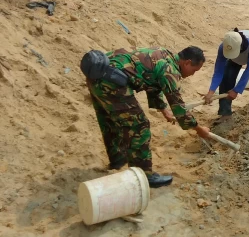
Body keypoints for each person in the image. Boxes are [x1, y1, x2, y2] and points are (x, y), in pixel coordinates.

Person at [84, 46, 211, 188]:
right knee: (139, 126)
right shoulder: (170, 71)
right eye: (194, 70)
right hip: (112, 82)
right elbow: (180, 109)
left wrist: (164, 110)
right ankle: (144, 175)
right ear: (187, 63)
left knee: (110, 120)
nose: (193, 74)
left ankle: (118, 159)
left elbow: (152, 82)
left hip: (96, 74)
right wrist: (198, 129)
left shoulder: (163, 54)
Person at [204, 28, 249, 121]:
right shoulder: (223, 47)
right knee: (226, 79)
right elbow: (218, 72)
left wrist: (236, 90)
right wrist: (211, 92)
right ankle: (225, 113)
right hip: (235, 58)